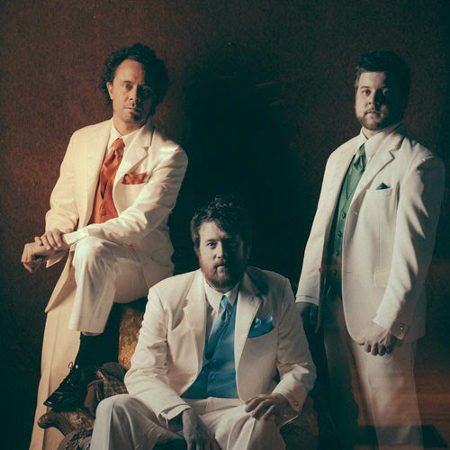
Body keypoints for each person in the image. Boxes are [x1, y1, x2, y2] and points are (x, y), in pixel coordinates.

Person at [22, 43, 188, 450]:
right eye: (127, 86)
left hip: (138, 267)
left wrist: (71, 240)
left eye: (145, 90)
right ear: (110, 88)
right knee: (53, 363)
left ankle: (85, 364)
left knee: (91, 249)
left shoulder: (170, 155)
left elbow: (139, 222)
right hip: (85, 263)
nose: (135, 96)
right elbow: (63, 207)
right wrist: (51, 238)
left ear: (155, 96)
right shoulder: (82, 140)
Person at [296, 51, 445, 449]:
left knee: (393, 420)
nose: (373, 100)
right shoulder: (339, 156)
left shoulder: (419, 164)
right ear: (356, 94)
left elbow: (414, 254)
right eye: (365, 91)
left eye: (384, 92)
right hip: (331, 305)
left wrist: (391, 321)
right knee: (340, 411)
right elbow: (321, 231)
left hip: (380, 314)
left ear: (402, 98)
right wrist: (307, 297)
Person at [90, 195, 316, 450]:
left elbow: (298, 364)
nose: (222, 254)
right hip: (174, 410)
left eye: (231, 243)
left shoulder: (276, 289)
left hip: (238, 413)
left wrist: (281, 397)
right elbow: (143, 372)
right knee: (112, 408)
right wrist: (183, 413)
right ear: (198, 250)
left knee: (259, 422)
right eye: (211, 244)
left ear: (247, 247)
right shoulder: (165, 294)